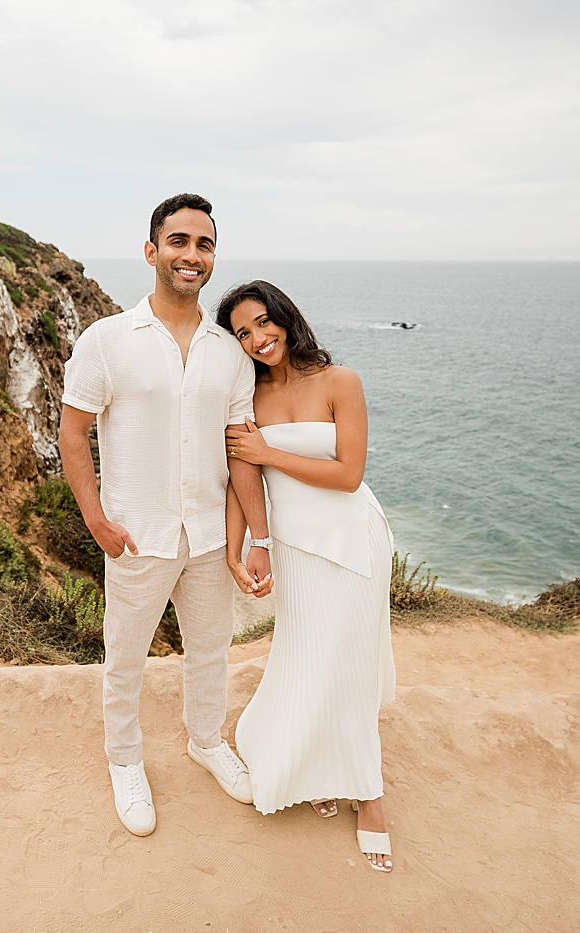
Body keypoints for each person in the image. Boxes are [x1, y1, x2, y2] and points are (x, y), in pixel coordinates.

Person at [57, 194, 274, 837]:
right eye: (178, 242)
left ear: (212, 260)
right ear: (152, 251)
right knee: (124, 656)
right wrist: (96, 519)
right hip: (137, 533)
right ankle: (125, 761)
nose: (192, 255)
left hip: (209, 534)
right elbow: (73, 434)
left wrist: (253, 537)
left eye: (204, 245)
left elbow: (241, 454)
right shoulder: (107, 341)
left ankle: (205, 742)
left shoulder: (230, 352)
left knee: (209, 651)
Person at [217, 280, 397, 873]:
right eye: (243, 332)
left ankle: (368, 796)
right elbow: (241, 485)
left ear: (286, 318)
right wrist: (240, 549)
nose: (258, 338)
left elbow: (348, 474)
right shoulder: (247, 395)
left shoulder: (340, 381)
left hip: (352, 539)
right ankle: (317, 767)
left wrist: (268, 453)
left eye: (264, 322)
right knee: (306, 657)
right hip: (294, 545)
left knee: (350, 662)